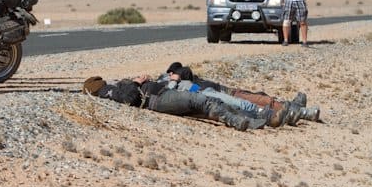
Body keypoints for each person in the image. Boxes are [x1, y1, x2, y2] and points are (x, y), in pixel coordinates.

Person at [82, 75, 268, 131]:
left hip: (163, 95)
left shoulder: (109, 89)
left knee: (207, 104)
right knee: (201, 100)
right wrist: (137, 83)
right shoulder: (108, 92)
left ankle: (251, 119)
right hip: (158, 100)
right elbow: (129, 99)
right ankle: (239, 120)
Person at [158, 62, 320, 126]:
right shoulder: (176, 83)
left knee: (261, 98)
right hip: (220, 94)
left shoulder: (190, 80)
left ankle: (296, 109)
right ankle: (299, 112)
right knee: (257, 102)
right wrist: (173, 79)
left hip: (225, 91)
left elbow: (187, 73)